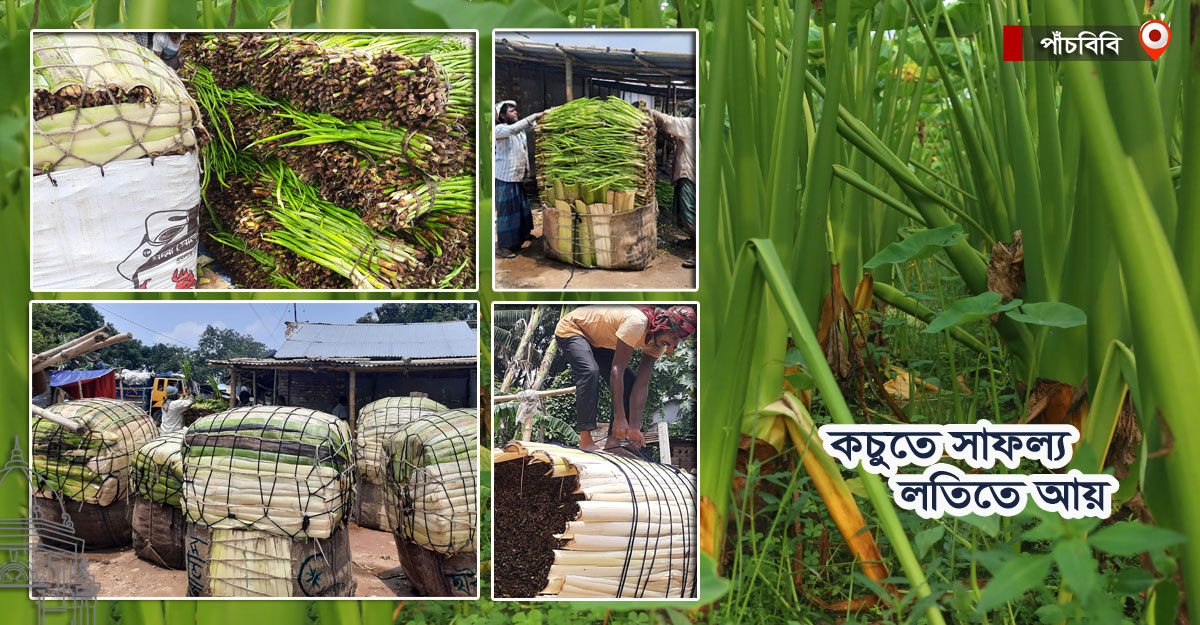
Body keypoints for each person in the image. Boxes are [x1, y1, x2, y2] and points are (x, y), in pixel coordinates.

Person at [555, 305, 697, 451]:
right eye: (674, 336)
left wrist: (634, 427)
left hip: (598, 342)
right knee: (590, 371)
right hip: (574, 328)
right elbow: (617, 370)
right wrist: (619, 418)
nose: (674, 343)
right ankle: (585, 440)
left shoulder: (657, 344)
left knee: (630, 383)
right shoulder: (637, 323)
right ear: (664, 325)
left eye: (679, 340)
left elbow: (641, 385)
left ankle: (612, 444)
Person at [645, 101, 697, 269]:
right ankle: (693, 241)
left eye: (688, 108)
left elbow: (670, 122)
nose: (685, 110)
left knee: (689, 213)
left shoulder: (691, 124)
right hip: (689, 173)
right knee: (687, 210)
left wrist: (651, 112)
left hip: (689, 175)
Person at [493, 100, 545, 259]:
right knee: (507, 212)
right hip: (505, 177)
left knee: (521, 209)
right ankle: (503, 246)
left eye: (515, 110)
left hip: (517, 176)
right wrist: (536, 115)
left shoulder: (519, 131)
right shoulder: (499, 129)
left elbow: (528, 126)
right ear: (502, 116)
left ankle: (523, 235)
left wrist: (548, 117)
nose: (515, 113)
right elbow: (514, 128)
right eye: (511, 111)